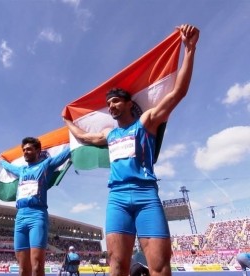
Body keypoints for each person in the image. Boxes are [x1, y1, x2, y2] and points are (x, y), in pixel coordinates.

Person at [63, 24, 199, 276]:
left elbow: (178, 92)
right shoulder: (109, 134)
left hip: (146, 195)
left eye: (115, 101)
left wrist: (189, 49)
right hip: (117, 199)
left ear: (128, 103)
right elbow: (83, 136)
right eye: (108, 103)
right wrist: (67, 119)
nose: (111, 106)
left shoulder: (146, 122)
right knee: (117, 265)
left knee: (159, 267)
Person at [0, 137, 70, 276]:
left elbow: (66, 154)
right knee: (22, 269)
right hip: (20, 217)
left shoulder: (45, 165)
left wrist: (76, 139)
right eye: (24, 150)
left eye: (29, 149)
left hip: (37, 215)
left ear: (38, 150)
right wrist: (1, 160)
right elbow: (8, 166)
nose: (25, 152)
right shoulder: (22, 170)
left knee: (37, 267)